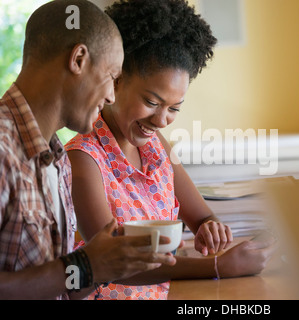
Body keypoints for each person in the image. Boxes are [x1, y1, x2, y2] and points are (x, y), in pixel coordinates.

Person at [65, 0, 276, 300]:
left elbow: (202, 216)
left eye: (174, 108)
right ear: (116, 81)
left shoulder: (156, 145)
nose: (161, 120)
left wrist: (211, 228)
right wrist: (216, 266)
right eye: (151, 102)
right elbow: (112, 264)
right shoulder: (83, 158)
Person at [0, 0, 176, 300]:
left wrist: (107, 266)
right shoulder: (3, 150)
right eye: (112, 77)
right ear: (78, 59)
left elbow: (63, 288)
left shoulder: (56, 161)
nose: (110, 96)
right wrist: (87, 265)